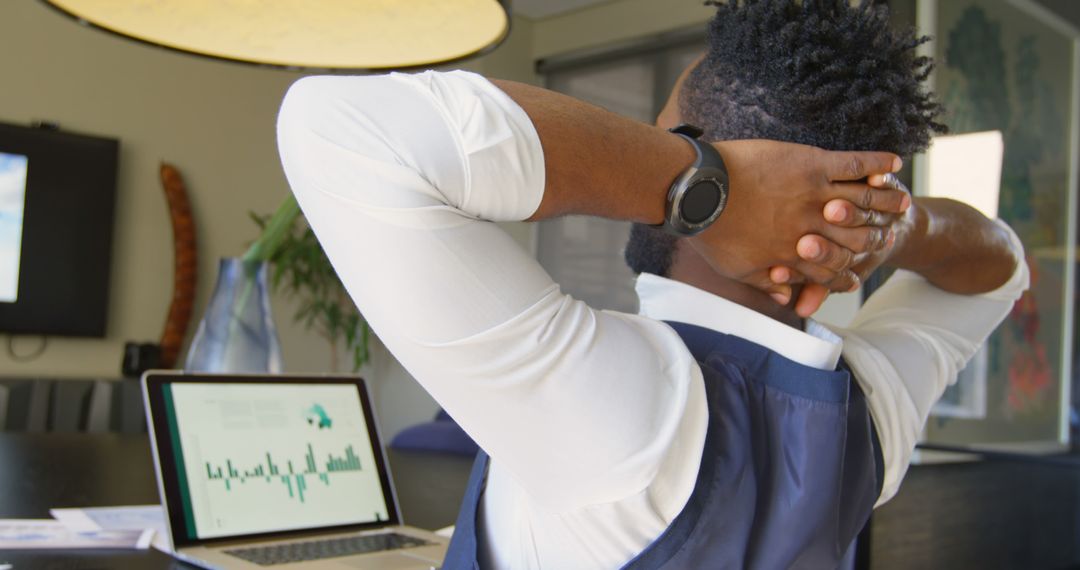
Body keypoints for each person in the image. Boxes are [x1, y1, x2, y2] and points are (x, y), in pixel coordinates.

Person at [275, 1, 1026, 568]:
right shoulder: (872, 412)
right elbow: (999, 269)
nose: (648, 151)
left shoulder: (626, 407)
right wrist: (889, 224)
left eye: (666, 137)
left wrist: (707, 189)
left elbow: (333, 126)